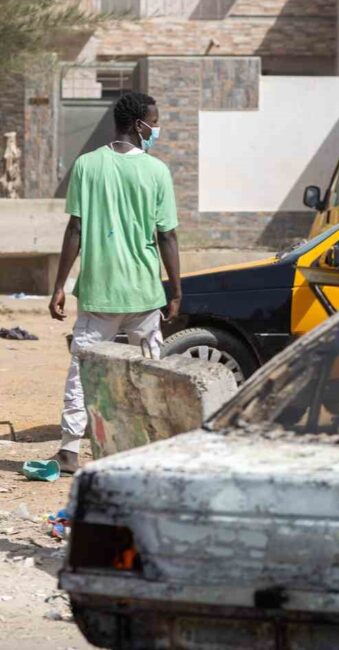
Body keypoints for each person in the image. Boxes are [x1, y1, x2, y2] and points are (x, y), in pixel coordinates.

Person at [48, 92, 181, 474]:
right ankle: (155, 445)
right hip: (143, 292)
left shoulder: (87, 166)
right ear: (138, 124)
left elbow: (75, 228)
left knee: (82, 370)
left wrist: (60, 285)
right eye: (153, 121)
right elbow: (167, 236)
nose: (156, 128)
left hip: (98, 292)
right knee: (152, 369)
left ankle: (70, 450)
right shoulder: (157, 172)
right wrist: (176, 289)